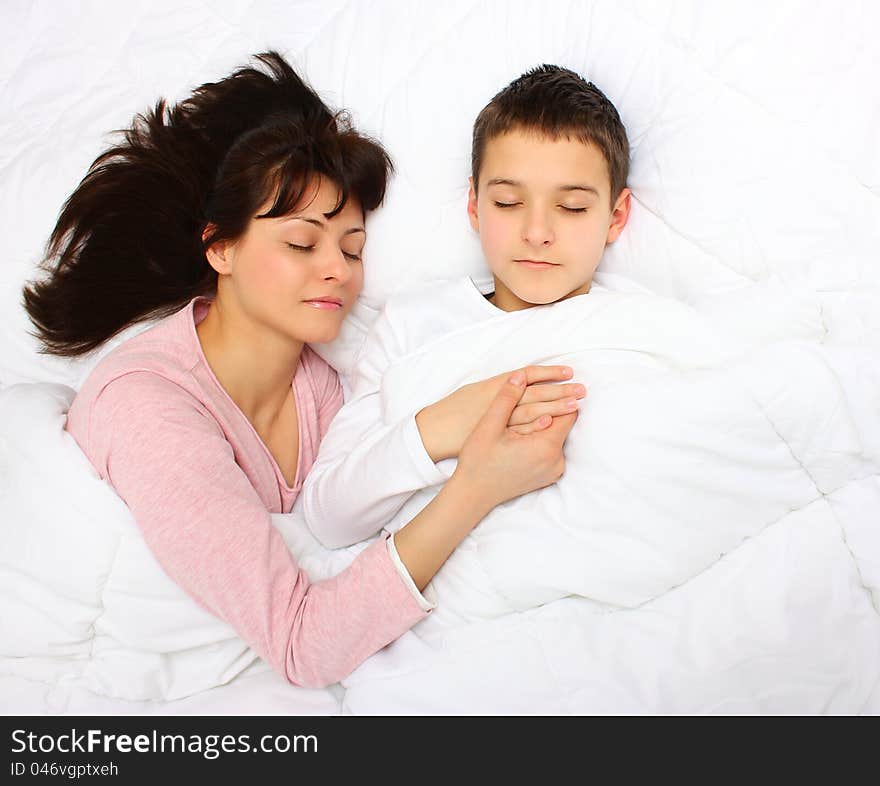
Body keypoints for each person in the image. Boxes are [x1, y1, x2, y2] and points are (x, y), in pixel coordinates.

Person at [21, 53, 577, 688]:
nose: (337, 269)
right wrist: (476, 487)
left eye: (352, 248)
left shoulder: (325, 383)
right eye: (301, 243)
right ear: (221, 247)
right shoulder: (147, 406)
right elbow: (303, 644)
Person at [303, 64, 631, 549]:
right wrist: (443, 424)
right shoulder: (414, 322)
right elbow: (327, 518)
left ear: (615, 217)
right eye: (508, 203)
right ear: (475, 207)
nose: (537, 232)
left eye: (572, 208)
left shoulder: (638, 331)